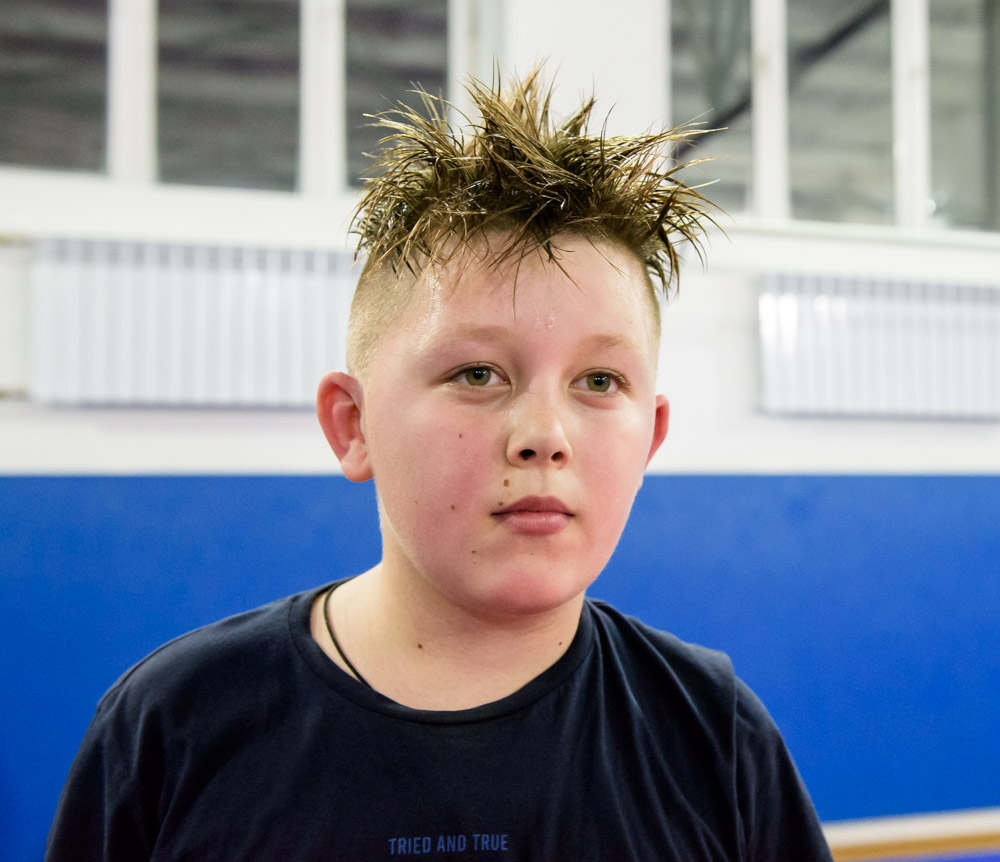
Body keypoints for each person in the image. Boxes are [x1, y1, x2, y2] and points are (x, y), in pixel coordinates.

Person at [46, 70, 833, 861]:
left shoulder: (716, 738)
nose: (545, 436)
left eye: (599, 381)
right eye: (478, 374)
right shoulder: (173, 726)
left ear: (649, 440)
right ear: (352, 426)